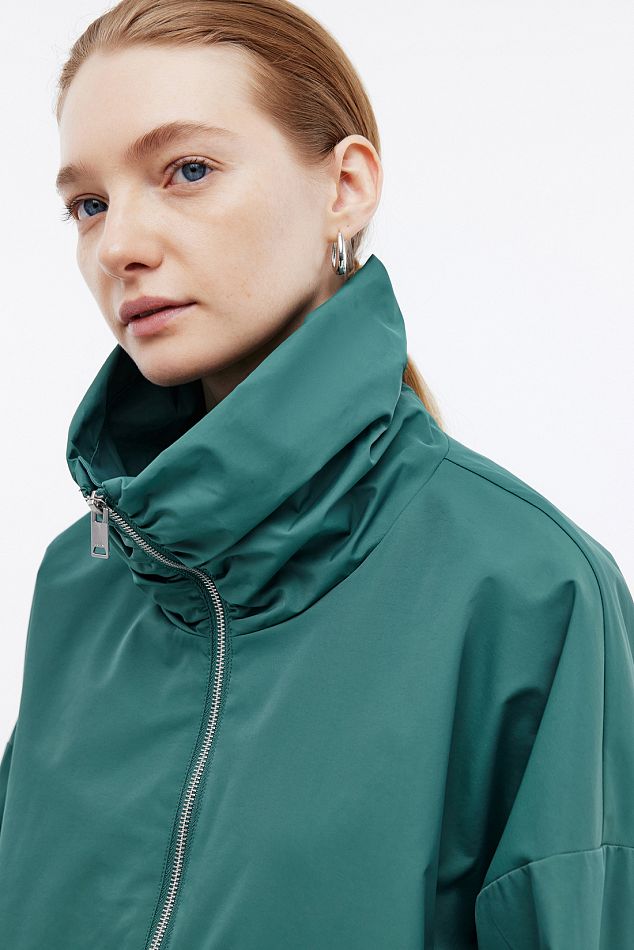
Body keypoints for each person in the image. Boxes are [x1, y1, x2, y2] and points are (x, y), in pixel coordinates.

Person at [0, 1, 632, 947]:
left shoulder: (528, 591)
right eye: (88, 204)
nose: (119, 245)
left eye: (188, 170)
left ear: (346, 185)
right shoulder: (80, 577)